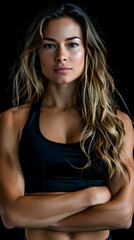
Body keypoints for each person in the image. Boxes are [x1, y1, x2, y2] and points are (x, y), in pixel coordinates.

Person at [0, 2, 134, 240]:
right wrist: (92, 197)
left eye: (72, 44)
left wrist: (36, 211)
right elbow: (11, 213)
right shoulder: (13, 121)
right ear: (37, 53)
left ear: (87, 51)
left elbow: (122, 215)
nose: (61, 56)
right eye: (49, 45)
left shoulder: (116, 124)